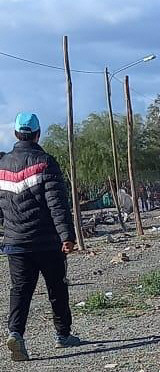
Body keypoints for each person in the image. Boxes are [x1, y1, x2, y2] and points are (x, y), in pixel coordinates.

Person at [0, 113, 80, 362]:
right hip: (47, 242)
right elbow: (57, 204)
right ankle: (63, 335)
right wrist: (67, 235)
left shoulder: (2, 166)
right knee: (57, 287)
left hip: (15, 243)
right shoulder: (45, 162)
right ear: (37, 134)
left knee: (20, 291)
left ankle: (16, 333)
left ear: (15, 134)